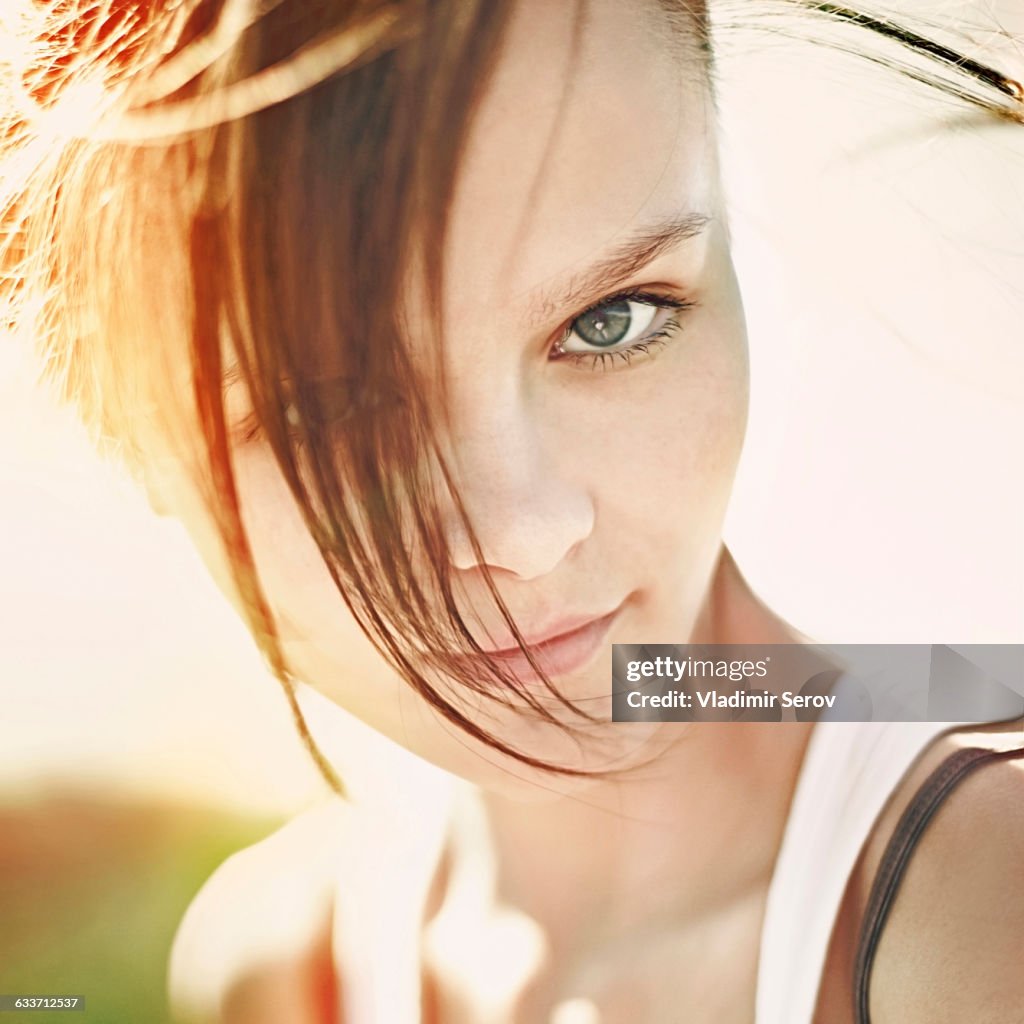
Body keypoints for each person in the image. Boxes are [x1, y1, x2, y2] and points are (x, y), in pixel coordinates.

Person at [3, 0, 1022, 1021]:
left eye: (611, 320)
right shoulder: (283, 969)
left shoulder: (985, 904)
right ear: (119, 425)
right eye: (328, 407)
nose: (522, 534)